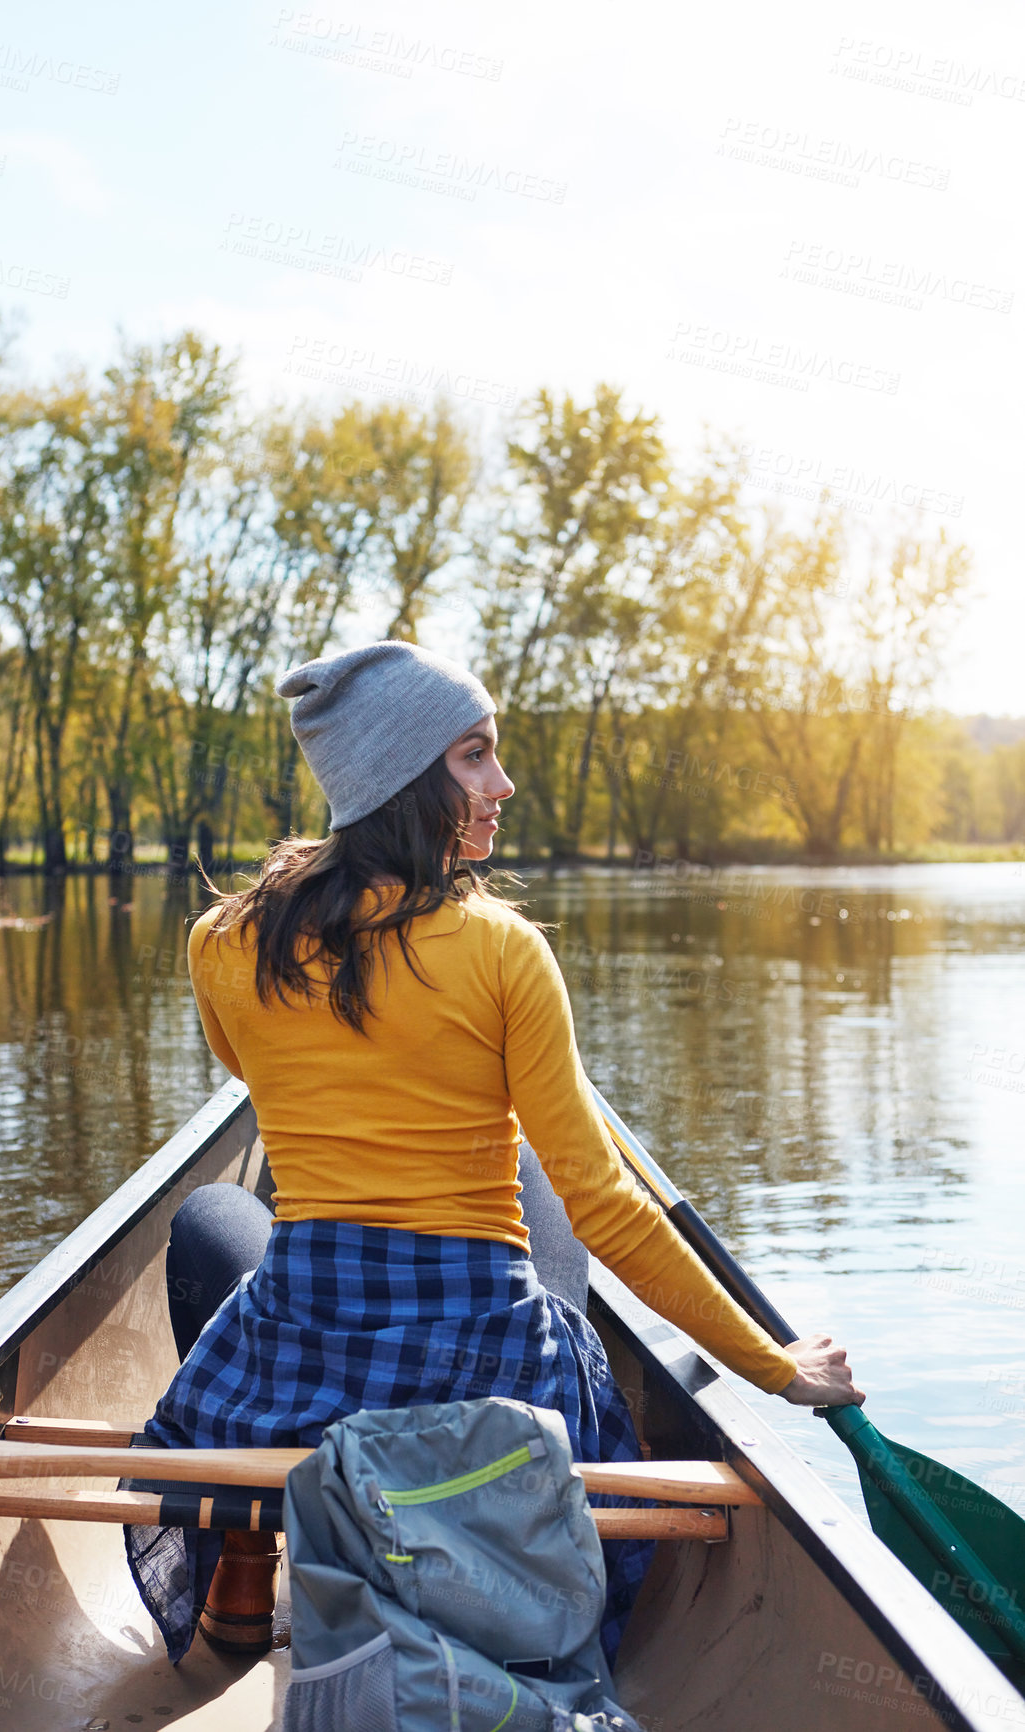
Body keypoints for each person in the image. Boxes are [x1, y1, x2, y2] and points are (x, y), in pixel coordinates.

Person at [125, 640, 863, 1671]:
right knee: (547, 1193)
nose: (501, 784)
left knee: (211, 1221)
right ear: (401, 779)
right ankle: (478, 1547)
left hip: (306, 1340)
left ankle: (243, 1557)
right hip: (480, 1367)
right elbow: (607, 1211)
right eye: (473, 756)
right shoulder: (505, 948)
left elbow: (249, 1075)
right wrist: (773, 1366)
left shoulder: (220, 942)